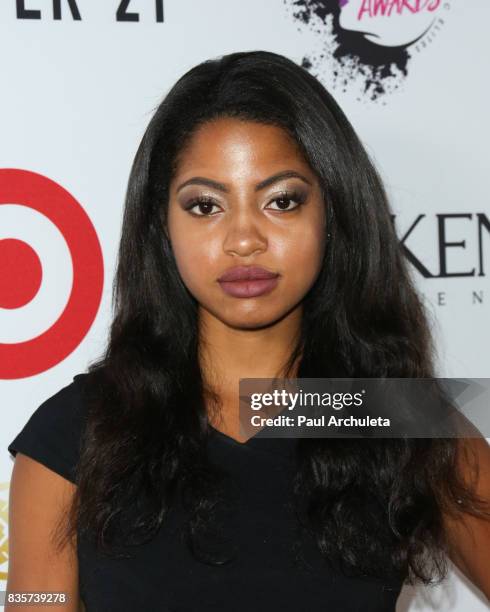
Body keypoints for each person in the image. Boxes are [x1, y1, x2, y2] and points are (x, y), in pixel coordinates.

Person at [6, 50, 490, 611]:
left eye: (281, 201)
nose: (243, 238)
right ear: (161, 226)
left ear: (334, 214)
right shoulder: (76, 433)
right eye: (205, 205)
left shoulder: (403, 419)